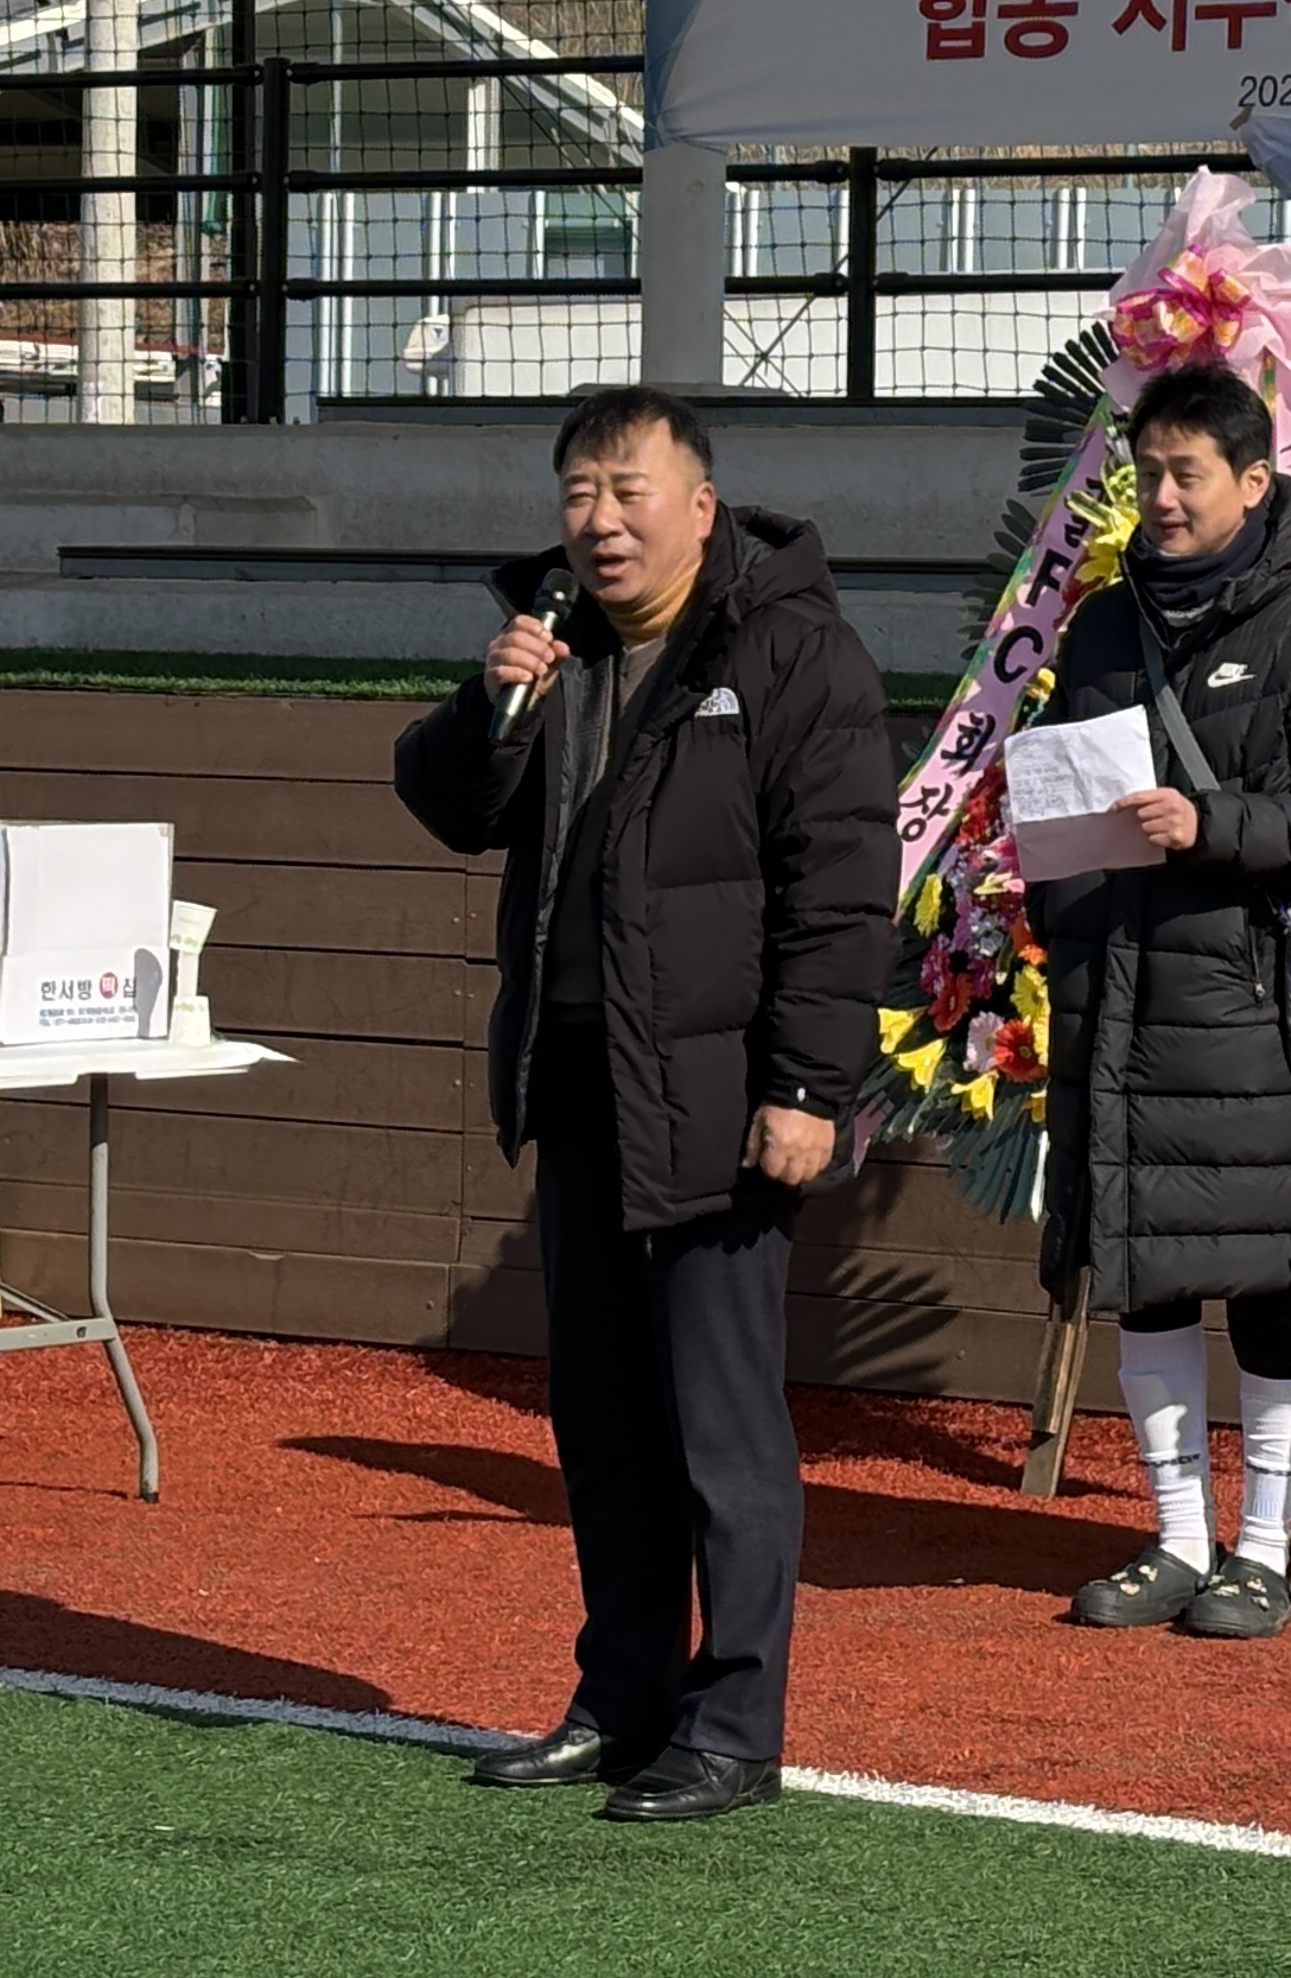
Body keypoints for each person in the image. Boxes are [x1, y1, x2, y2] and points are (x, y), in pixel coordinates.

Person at [390, 385, 894, 1823]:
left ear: (700, 503)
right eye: (577, 496)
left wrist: (808, 1084)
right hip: (577, 1085)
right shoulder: (554, 653)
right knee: (604, 1424)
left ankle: (733, 1727)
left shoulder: (790, 651)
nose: (600, 523)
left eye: (627, 491)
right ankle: (620, 1700)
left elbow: (843, 888)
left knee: (721, 1427)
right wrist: (495, 700)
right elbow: (447, 801)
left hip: (723, 1099)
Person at [1029, 359, 1291, 1642]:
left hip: (1247, 1017)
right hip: (1118, 1003)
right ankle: (1178, 1538)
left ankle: (1268, 1548)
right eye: (1148, 474)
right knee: (1144, 1272)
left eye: (1188, 474)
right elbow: (1063, 795)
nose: (1164, 497)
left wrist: (1211, 823)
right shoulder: (1100, 625)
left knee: (1263, 1279)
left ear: (1256, 482)